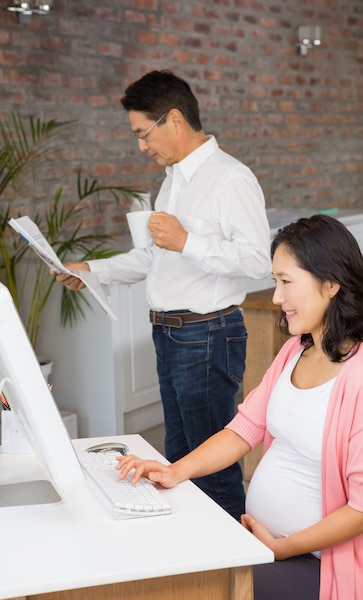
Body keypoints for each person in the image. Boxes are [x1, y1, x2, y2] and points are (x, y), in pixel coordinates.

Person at [115, 215, 363, 600]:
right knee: (166, 561)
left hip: (326, 569)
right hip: (266, 545)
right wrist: (175, 471)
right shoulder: (295, 352)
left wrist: (282, 548)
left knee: (185, 594)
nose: (275, 298)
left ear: (331, 282)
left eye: (287, 282)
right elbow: (243, 430)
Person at [55, 69, 271, 521]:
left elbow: (258, 262)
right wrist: (91, 270)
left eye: (142, 133)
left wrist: (187, 241)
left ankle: (234, 568)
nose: (141, 146)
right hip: (172, 337)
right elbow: (154, 259)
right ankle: (196, 558)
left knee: (211, 467)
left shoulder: (230, 178)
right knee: (178, 459)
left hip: (208, 335)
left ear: (173, 120)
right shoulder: (172, 180)